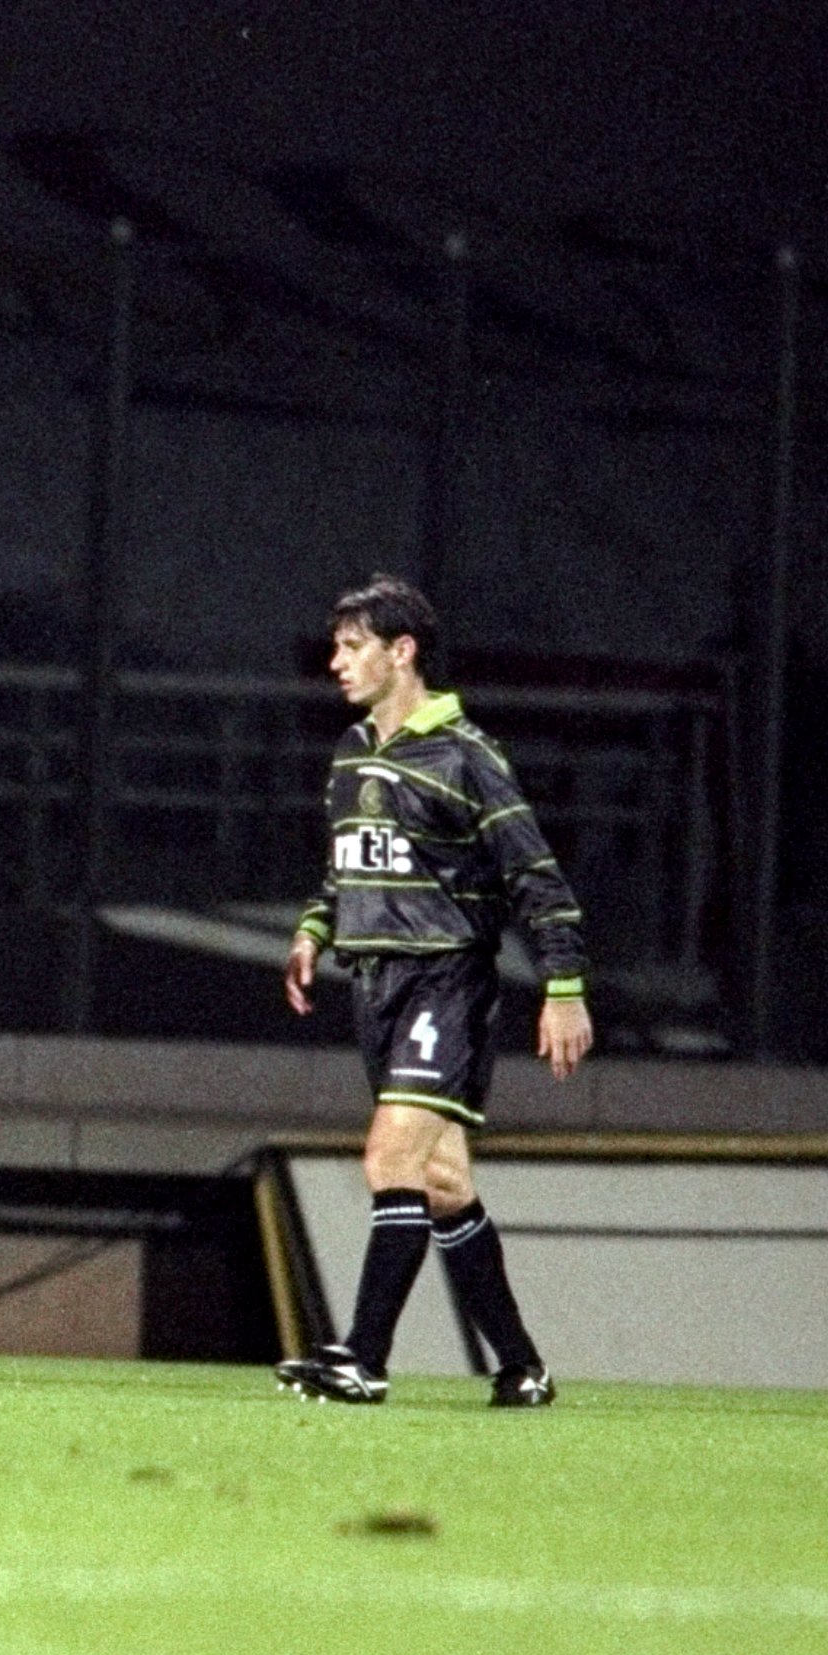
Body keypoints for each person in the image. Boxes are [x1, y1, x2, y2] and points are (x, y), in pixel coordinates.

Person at [279, 575, 590, 1408]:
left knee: (389, 1158)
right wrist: (315, 929)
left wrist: (563, 985)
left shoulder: (467, 756)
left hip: (446, 981)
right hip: (376, 985)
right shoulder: (352, 753)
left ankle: (363, 1358)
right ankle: (524, 1367)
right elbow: (347, 866)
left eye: (353, 646)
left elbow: (536, 875)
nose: (337, 662)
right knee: (443, 1180)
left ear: (401, 651)